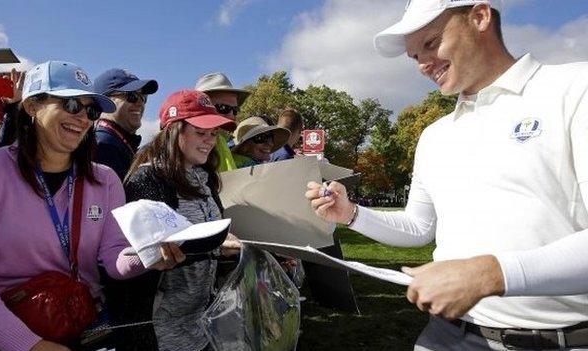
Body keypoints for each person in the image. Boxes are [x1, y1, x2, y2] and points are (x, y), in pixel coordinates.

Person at [307, 0, 588, 350]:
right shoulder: (434, 135)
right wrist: (350, 214)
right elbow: (420, 228)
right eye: (414, 57)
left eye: (430, 43)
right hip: (447, 336)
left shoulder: (575, 88)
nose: (423, 65)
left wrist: (489, 274)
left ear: (480, 17)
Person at [0, 61, 181, 351]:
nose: (82, 118)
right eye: (70, 105)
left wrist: (152, 255)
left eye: (90, 110)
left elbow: (113, 259)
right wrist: (32, 346)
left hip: (85, 328)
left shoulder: (105, 181)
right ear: (31, 105)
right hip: (11, 332)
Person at [118, 90, 241, 351]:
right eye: (200, 132)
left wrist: (226, 247)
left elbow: (208, 235)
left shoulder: (204, 177)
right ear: (174, 131)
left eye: (214, 133)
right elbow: (146, 260)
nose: (210, 141)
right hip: (161, 333)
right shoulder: (147, 180)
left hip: (201, 324)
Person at [93, 68, 158, 180]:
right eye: (131, 96)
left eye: (143, 98)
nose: (140, 103)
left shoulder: (116, 142)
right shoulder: (104, 145)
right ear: (105, 101)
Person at [195, 72, 250, 172]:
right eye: (223, 108)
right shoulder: (190, 146)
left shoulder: (221, 140)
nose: (231, 115)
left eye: (235, 110)